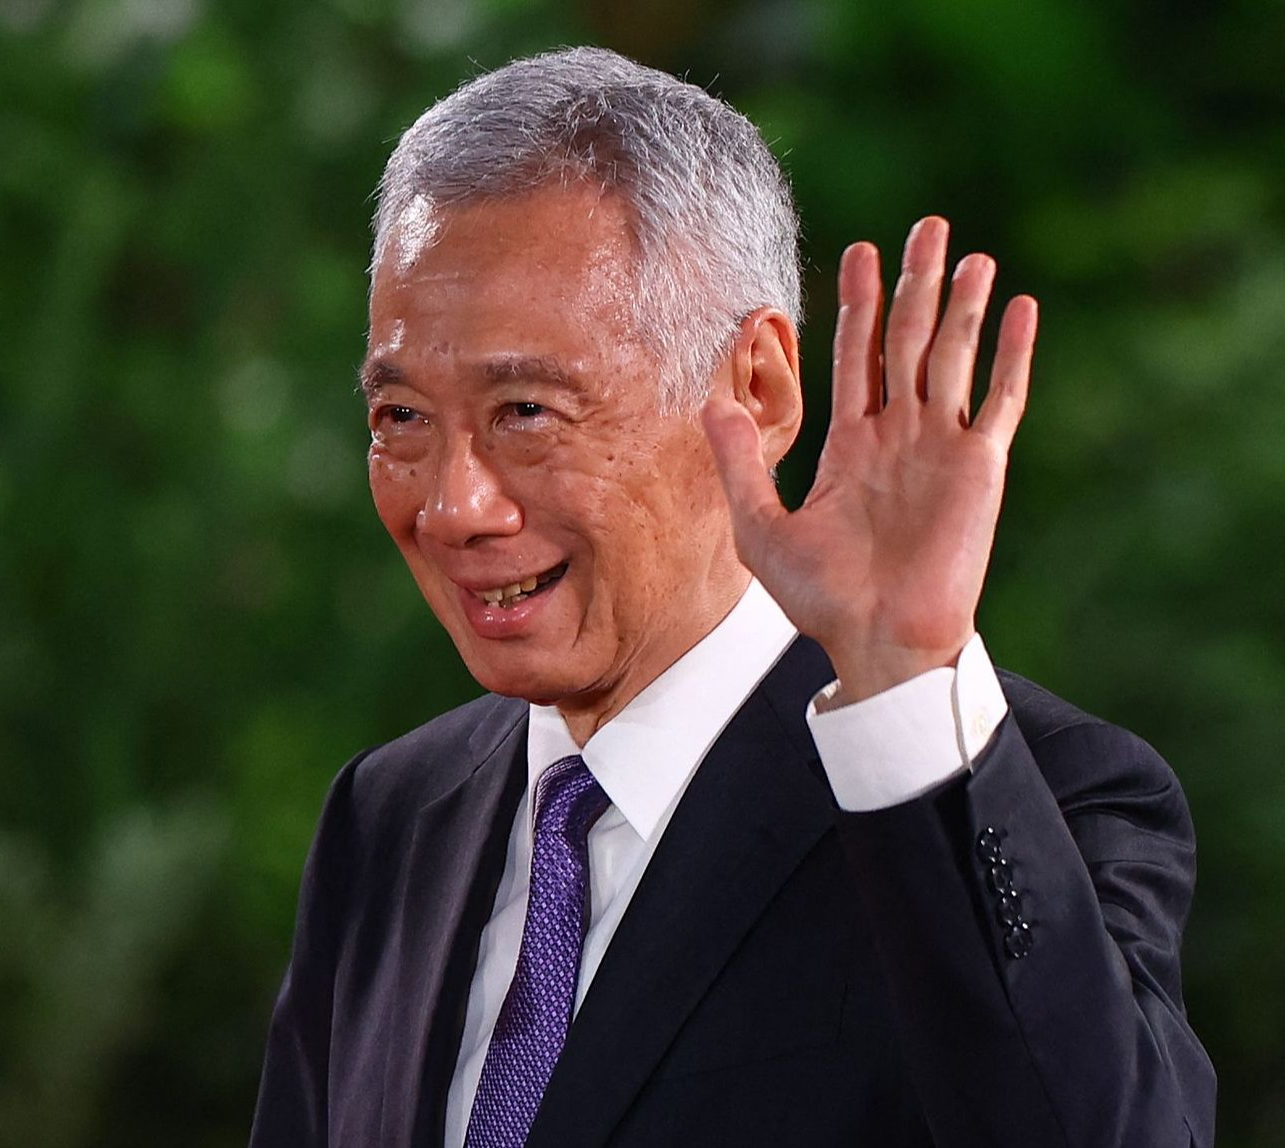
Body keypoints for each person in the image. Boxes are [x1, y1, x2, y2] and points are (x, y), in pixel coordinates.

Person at [248, 45, 1215, 1148]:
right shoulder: (386, 819)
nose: (454, 505)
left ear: (753, 390)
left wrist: (900, 678)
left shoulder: (1034, 800)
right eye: (402, 419)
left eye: (523, 409)